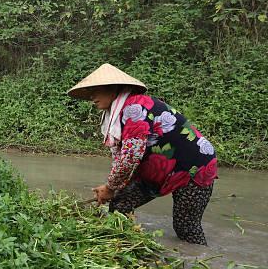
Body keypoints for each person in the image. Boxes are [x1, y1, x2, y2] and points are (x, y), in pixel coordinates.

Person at [67, 64, 218, 245]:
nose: (92, 97)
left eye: (95, 91)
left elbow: (130, 158)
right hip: (158, 169)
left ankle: (199, 261)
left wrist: (110, 187)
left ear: (113, 88)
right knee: (120, 205)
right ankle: (125, 247)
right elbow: (123, 159)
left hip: (195, 168)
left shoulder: (135, 109)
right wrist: (112, 188)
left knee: (186, 227)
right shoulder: (115, 115)